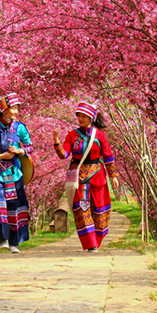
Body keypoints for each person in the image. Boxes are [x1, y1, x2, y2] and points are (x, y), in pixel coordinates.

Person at [54, 101, 119, 252]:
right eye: (79, 116)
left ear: (92, 118)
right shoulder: (72, 135)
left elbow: (108, 157)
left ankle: (97, 240)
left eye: (84, 116)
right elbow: (65, 154)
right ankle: (90, 244)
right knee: (82, 209)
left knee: (99, 209)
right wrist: (56, 140)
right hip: (79, 178)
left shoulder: (100, 136)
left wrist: (113, 176)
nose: (81, 119)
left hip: (97, 177)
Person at [0, 92, 34, 253]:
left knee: (14, 206)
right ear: (4, 110)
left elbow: (30, 146)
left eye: (17, 108)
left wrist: (19, 151)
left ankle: (14, 243)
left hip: (14, 173)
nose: (16, 112)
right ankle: (2, 238)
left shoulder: (20, 128)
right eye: (13, 108)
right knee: (0, 202)